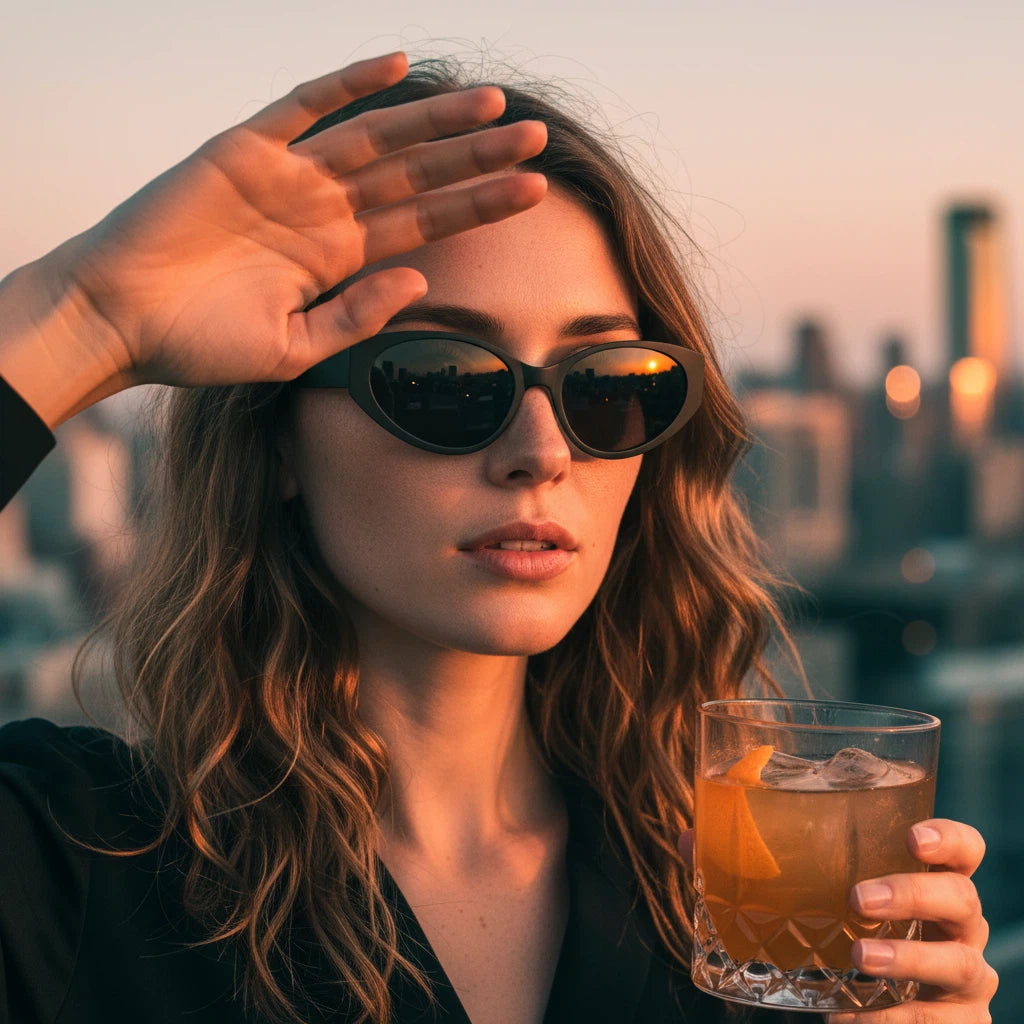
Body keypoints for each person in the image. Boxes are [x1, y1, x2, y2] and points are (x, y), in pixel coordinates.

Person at [0, 51, 997, 1024]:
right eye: (444, 380)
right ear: (280, 435)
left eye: (608, 384)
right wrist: (82, 316)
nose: (542, 449)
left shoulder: (749, 931)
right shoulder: (70, 864)